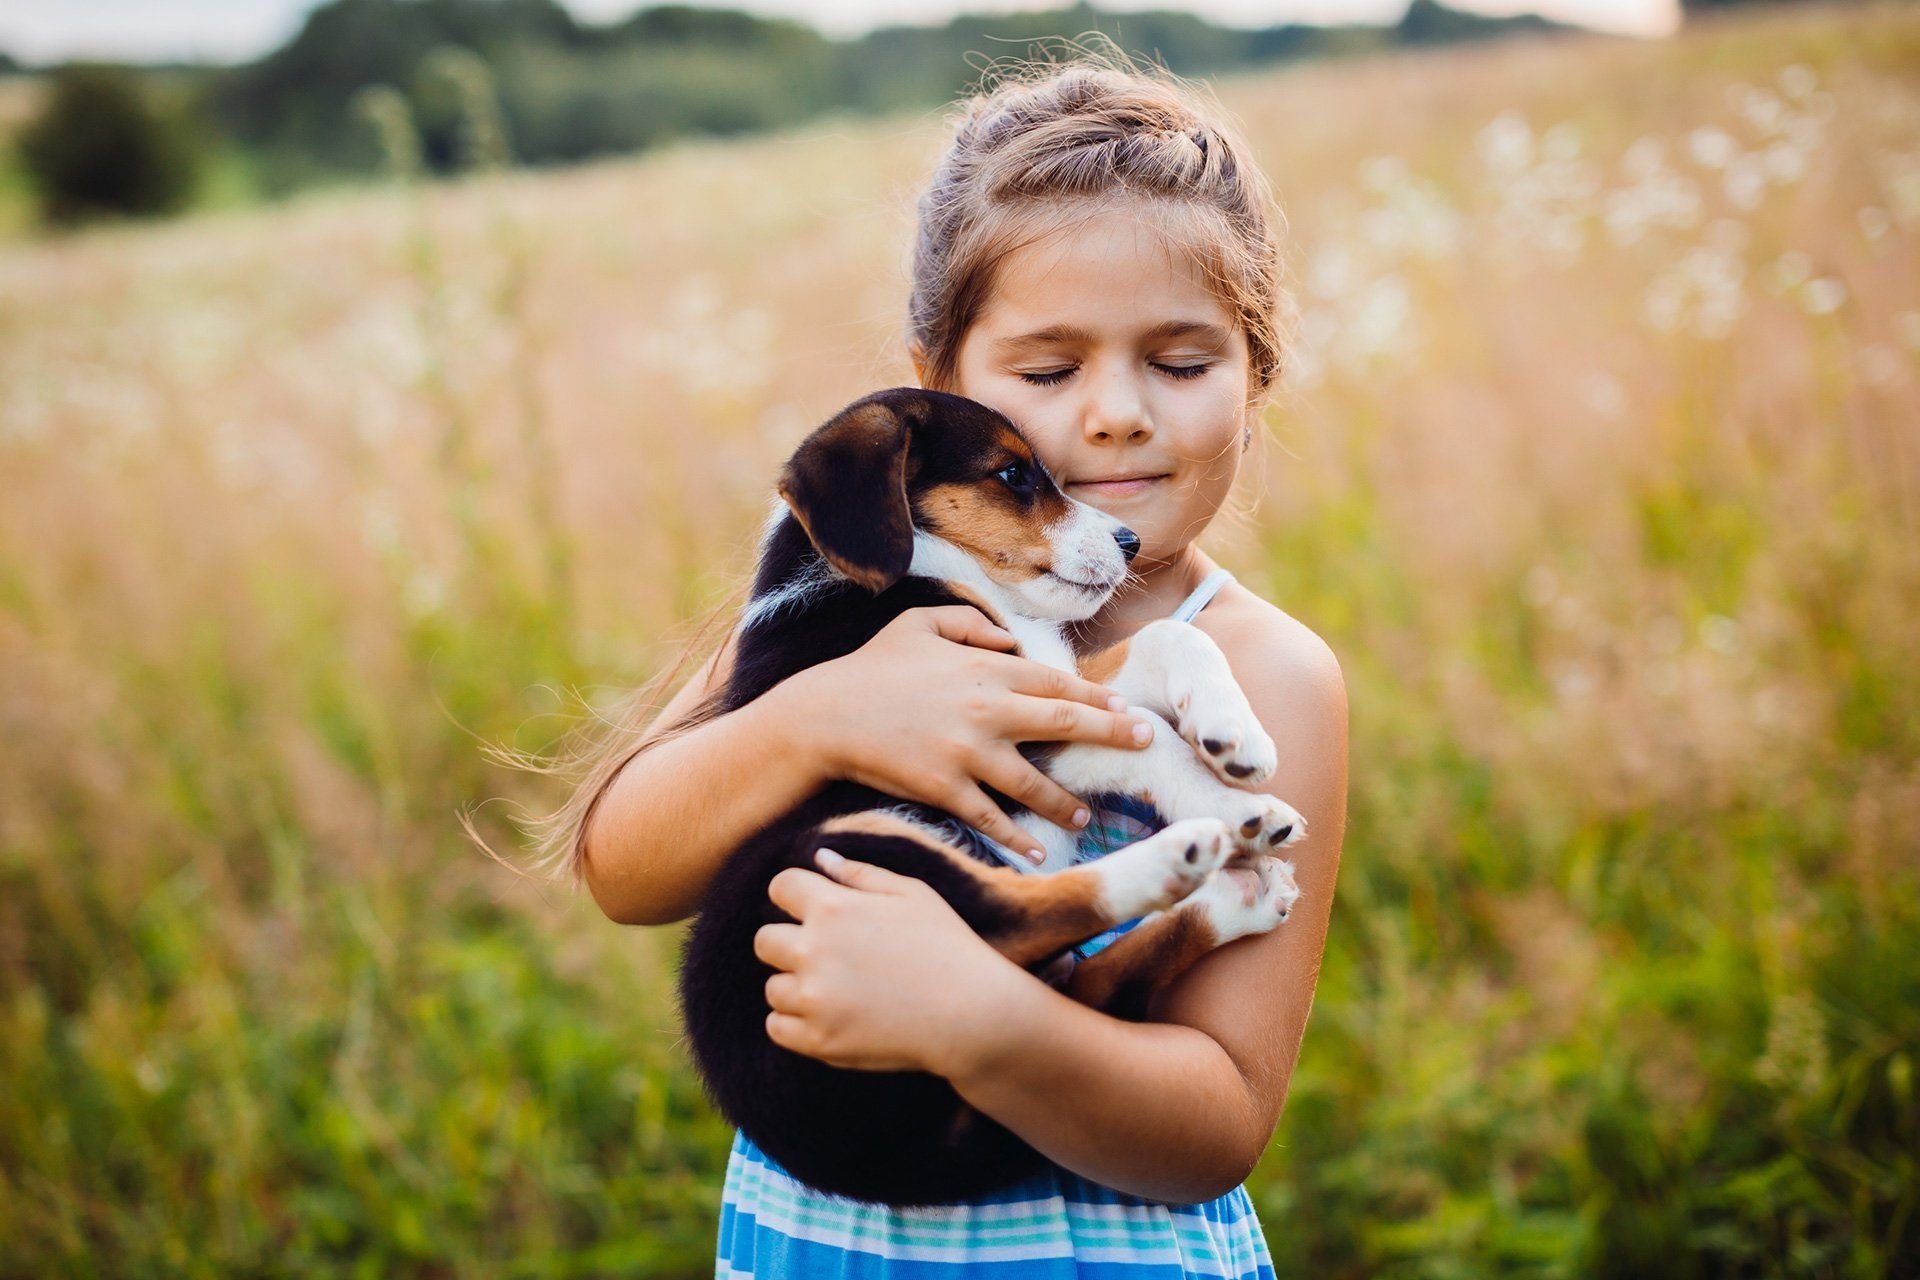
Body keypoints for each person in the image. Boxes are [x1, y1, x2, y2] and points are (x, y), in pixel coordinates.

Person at [541, 50, 1348, 1279]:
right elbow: (622, 867)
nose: (1120, 412)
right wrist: (812, 722)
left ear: (1259, 371)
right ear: (937, 388)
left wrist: (981, 1021)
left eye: (1182, 362)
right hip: (828, 1241)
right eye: (1047, 369)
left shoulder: (1264, 669)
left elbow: (1220, 1122)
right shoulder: (849, 606)